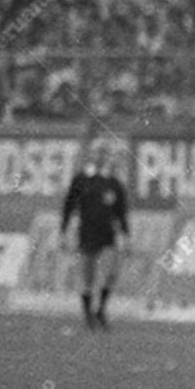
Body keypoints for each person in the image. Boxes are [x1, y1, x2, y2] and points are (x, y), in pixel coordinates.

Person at [60, 141, 131, 330]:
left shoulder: (114, 183)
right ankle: (88, 315)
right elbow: (68, 206)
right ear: (91, 155)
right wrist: (64, 230)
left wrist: (126, 235)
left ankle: (100, 309)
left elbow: (121, 212)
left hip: (107, 235)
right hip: (86, 233)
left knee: (110, 273)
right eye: (97, 152)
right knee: (88, 277)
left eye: (104, 153)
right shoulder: (82, 179)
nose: (100, 156)